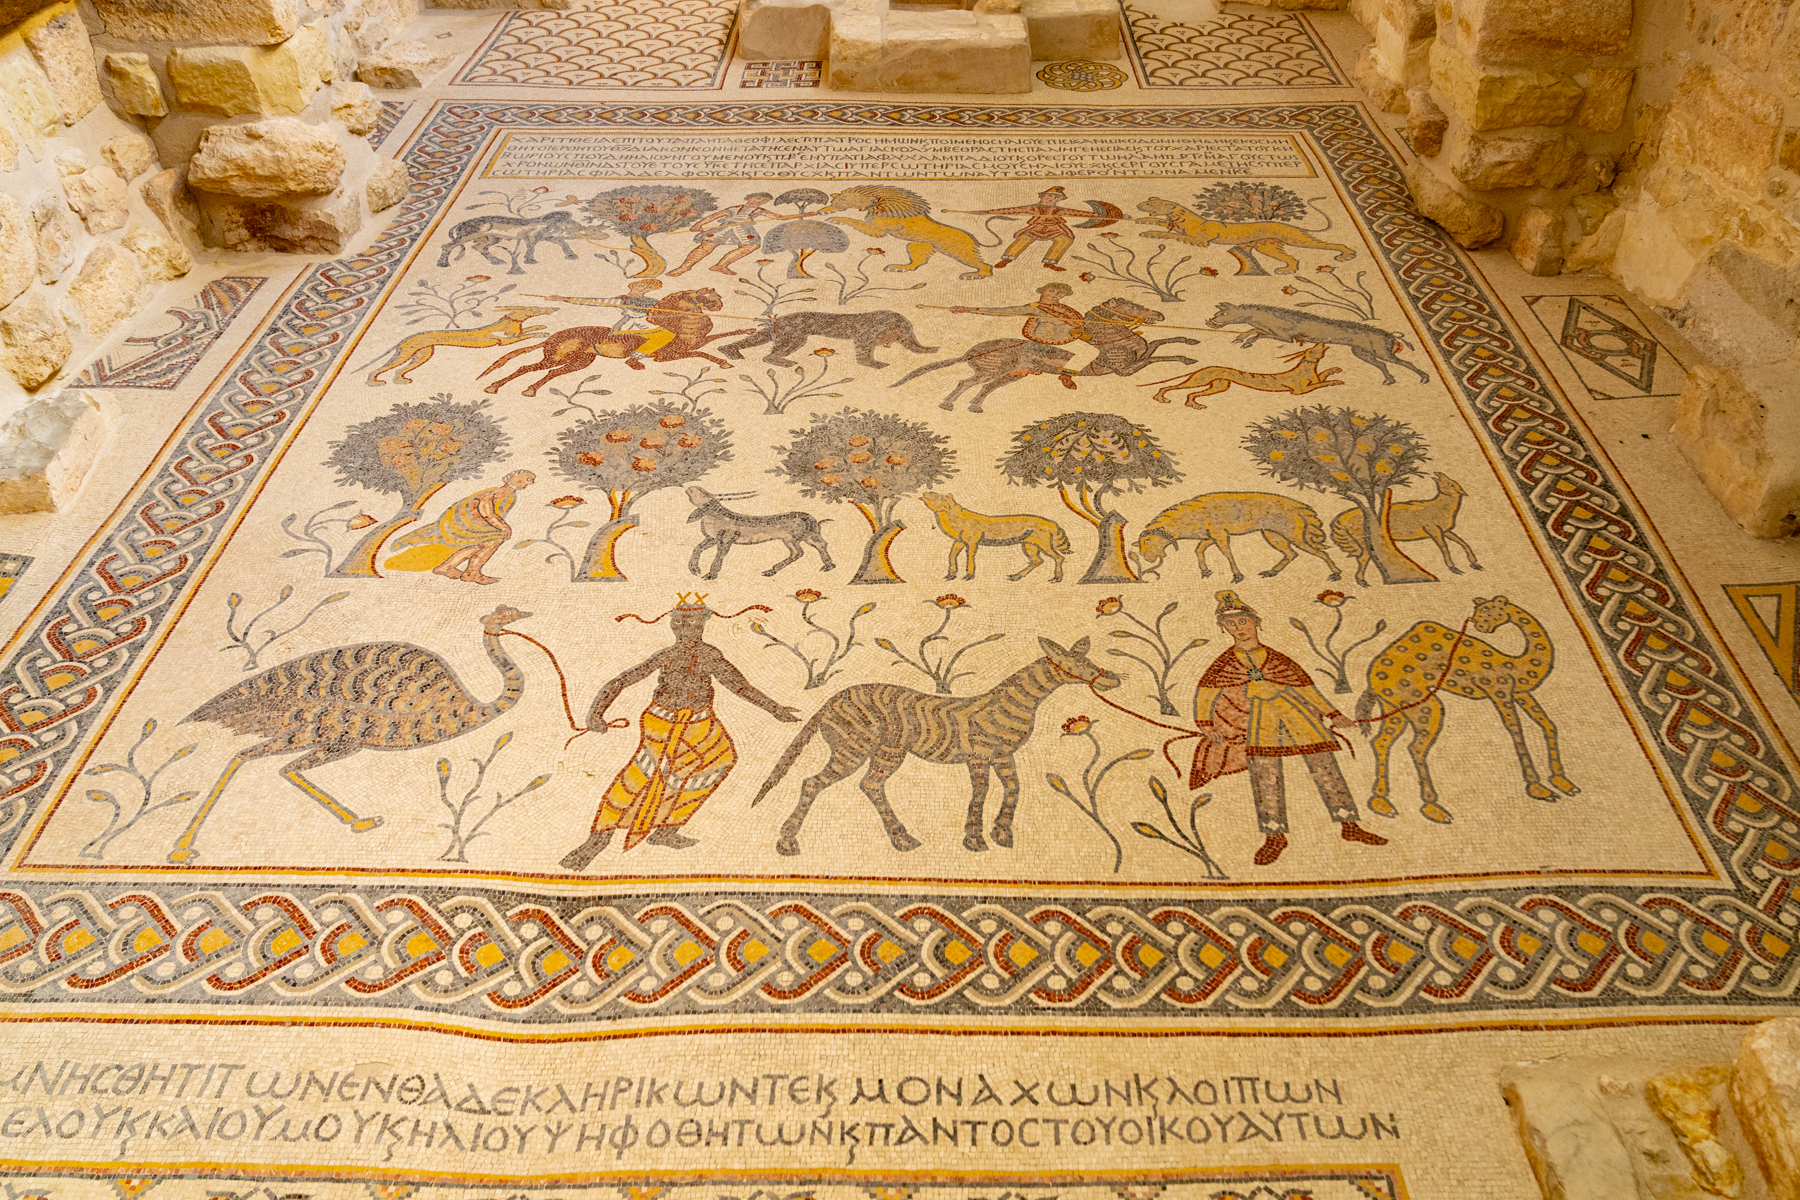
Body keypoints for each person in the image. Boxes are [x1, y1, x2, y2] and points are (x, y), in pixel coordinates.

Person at [559, 595, 799, 867]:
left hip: (700, 722)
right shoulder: (668, 656)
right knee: (642, 773)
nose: (688, 630)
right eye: (682, 624)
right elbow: (623, 680)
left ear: (702, 627)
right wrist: (596, 712)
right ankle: (598, 839)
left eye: (694, 625)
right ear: (674, 626)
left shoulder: (710, 655)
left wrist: (775, 708)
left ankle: (666, 829)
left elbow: (739, 686)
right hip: (662, 722)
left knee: (719, 760)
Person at [1191, 590, 1389, 866]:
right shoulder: (1224, 663)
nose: (1239, 628)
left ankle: (1350, 826)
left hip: (1296, 717)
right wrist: (1205, 724)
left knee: (1325, 767)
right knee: (1265, 774)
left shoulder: (1277, 658)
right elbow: (1205, 692)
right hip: (1260, 722)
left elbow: (1305, 688)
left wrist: (1333, 714)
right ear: (1223, 628)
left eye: (1243, 622)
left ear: (1255, 622)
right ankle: (1274, 836)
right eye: (1231, 624)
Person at [382, 469, 534, 584]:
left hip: (477, 523)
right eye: (527, 479)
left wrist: (499, 526)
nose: (529, 483)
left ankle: (448, 568)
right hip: (464, 524)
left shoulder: (510, 494)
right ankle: (470, 572)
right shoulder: (496, 493)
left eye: (530, 480)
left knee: (484, 544)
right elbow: (486, 512)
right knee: (492, 541)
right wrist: (503, 527)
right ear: (513, 477)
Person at [949, 281, 1088, 389]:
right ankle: (1066, 375)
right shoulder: (1034, 307)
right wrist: (968, 309)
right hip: (1045, 340)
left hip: (1068, 339)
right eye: (1052, 291)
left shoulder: (1064, 309)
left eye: (1060, 294)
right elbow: (1002, 311)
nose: (1056, 295)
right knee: (1083, 352)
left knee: (1089, 350)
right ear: (1043, 291)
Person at [962, 186, 1103, 272]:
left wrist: (1095, 215)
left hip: (1056, 227)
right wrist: (987, 212)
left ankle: (1050, 262)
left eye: (1055, 198)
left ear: (1058, 200)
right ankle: (1007, 259)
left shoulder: (1060, 210)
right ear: (1042, 196)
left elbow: (1076, 213)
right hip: (1036, 227)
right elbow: (1012, 210)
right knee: (1024, 238)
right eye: (1049, 196)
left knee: (1064, 240)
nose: (1052, 199)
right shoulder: (1032, 208)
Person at [538, 279, 677, 363]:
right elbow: (596, 302)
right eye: (642, 286)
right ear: (633, 285)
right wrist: (564, 299)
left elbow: (666, 310)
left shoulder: (651, 301)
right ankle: (635, 358)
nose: (645, 289)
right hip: (632, 324)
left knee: (671, 333)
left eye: (649, 288)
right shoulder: (623, 299)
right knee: (666, 335)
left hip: (647, 323)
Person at [668, 192, 781, 277]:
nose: (760, 202)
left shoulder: (759, 210)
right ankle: (684, 267)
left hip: (743, 230)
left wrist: (798, 214)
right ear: (750, 197)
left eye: (763, 201)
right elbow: (715, 216)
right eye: (758, 198)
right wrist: (699, 224)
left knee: (750, 246)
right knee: (706, 247)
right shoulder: (735, 208)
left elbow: (777, 217)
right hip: (725, 227)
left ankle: (720, 265)